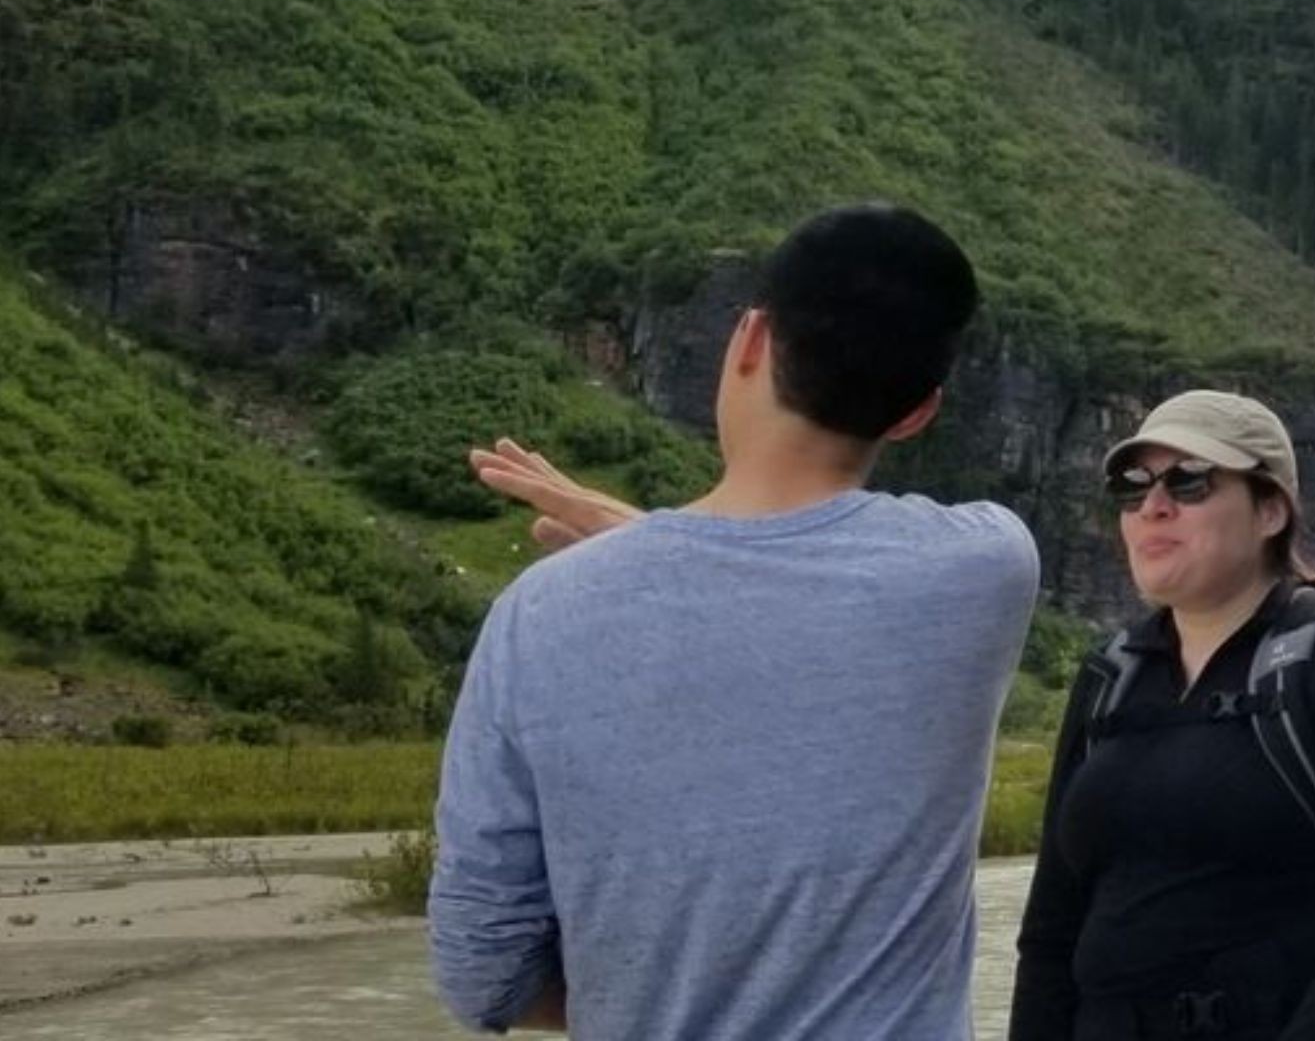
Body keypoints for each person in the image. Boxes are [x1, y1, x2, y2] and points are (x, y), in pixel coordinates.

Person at [428, 202, 1039, 1039]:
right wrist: (653, 542)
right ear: (916, 412)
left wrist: (643, 551)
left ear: (749, 339)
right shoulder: (987, 568)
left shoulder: (536, 617)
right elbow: (793, 570)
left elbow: (481, 972)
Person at [1009, 390, 1315, 1041]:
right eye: (1134, 487)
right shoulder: (1110, 676)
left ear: (1270, 510)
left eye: (1190, 481)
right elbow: (1050, 932)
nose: (1153, 506)